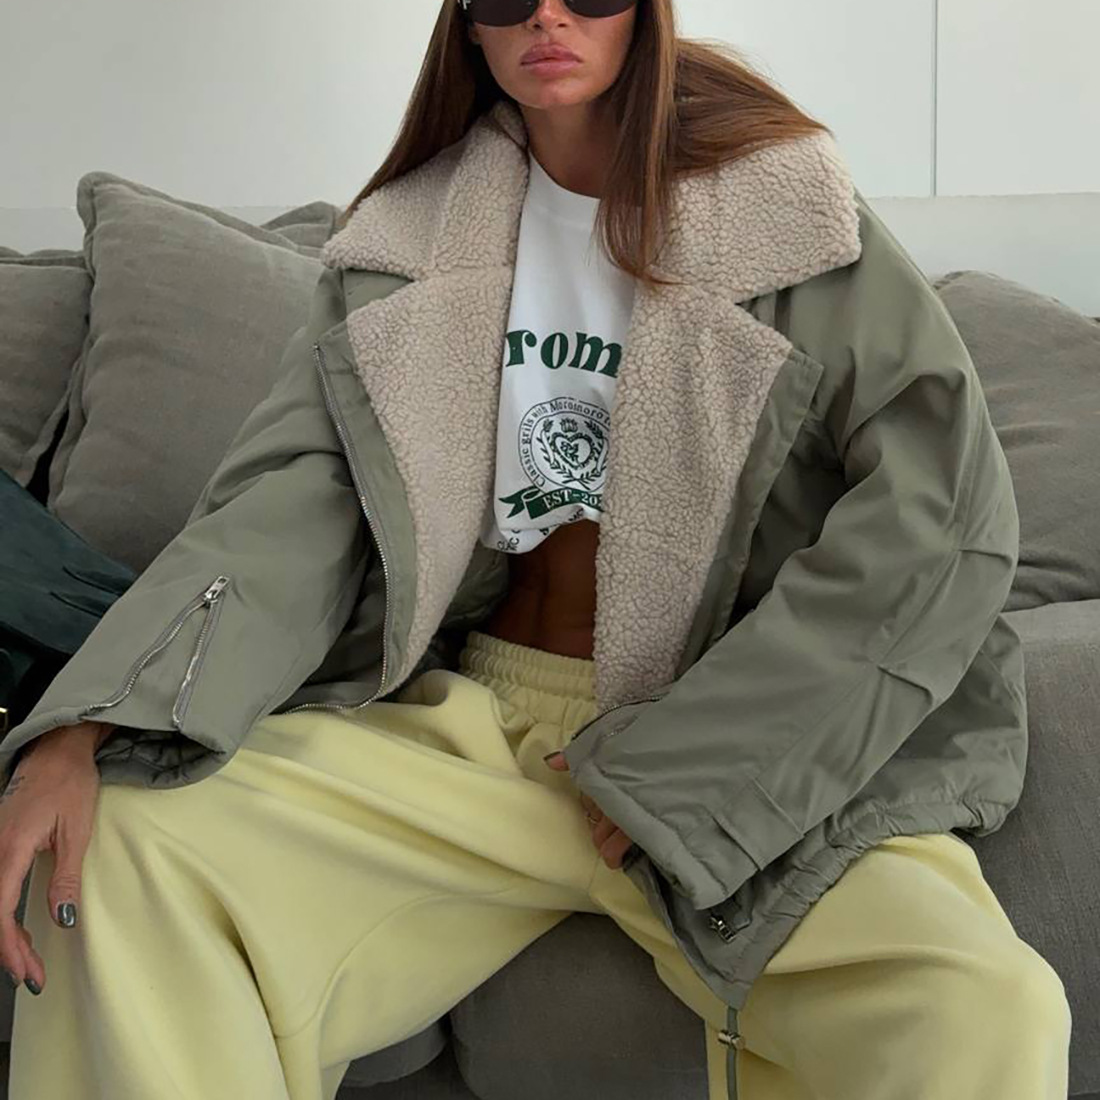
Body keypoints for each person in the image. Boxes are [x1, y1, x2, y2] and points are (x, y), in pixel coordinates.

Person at [0, 0, 1073, 1097]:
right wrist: (92, 720)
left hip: (718, 724)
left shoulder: (785, 209)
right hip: (477, 730)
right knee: (125, 851)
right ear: (469, 23)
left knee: (984, 1006)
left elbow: (943, 517)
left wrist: (695, 763)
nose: (547, 14)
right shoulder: (404, 242)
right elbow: (289, 504)